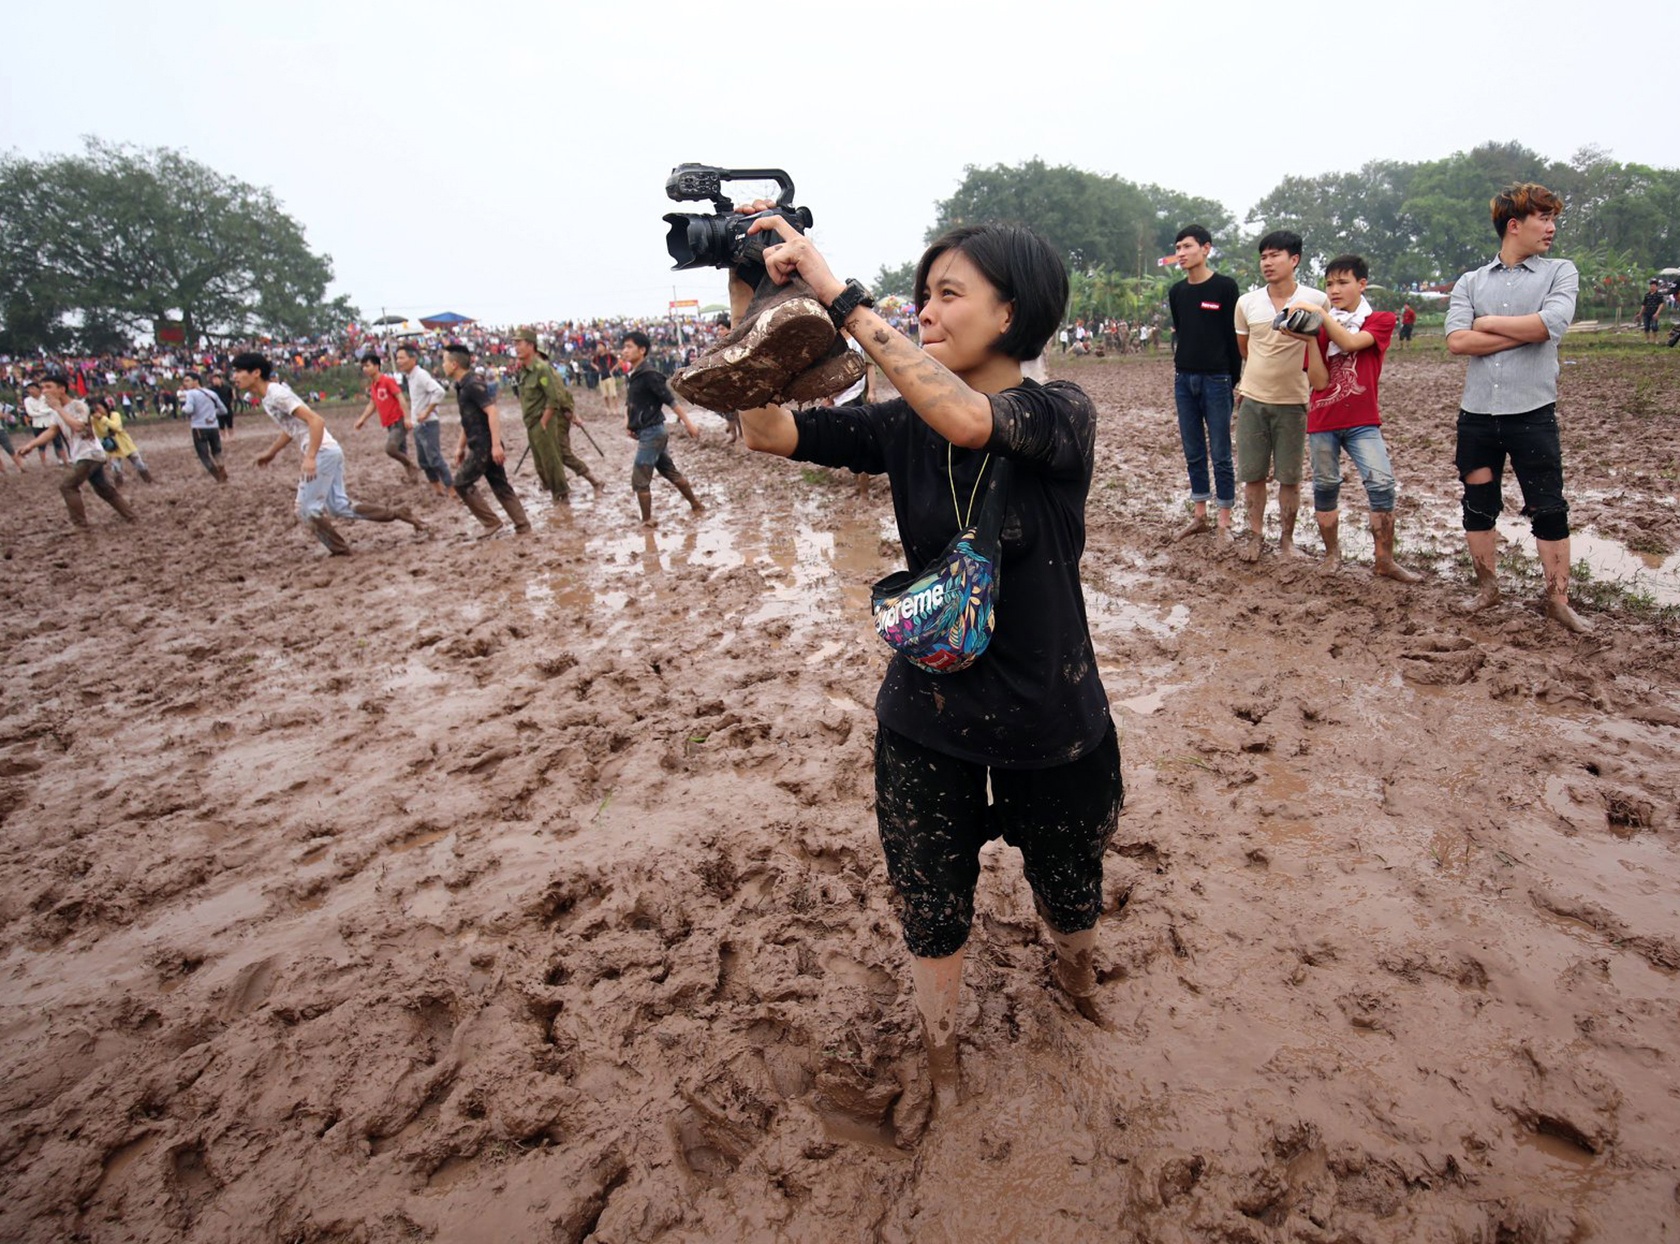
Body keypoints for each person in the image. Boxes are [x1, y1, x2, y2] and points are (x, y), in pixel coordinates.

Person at [731, 210, 1123, 1111]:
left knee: (1070, 887)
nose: (928, 311)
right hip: (927, 716)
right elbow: (768, 433)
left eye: (949, 295)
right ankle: (942, 1056)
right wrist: (752, 298)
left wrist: (840, 296)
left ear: (1011, 314)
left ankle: (1077, 976)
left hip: (1051, 714)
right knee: (930, 901)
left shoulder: (1060, 413)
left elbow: (969, 417)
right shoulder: (902, 427)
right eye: (923, 295)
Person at [1445, 183, 1590, 633]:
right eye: (1543, 219)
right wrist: (1524, 332)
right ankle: (1487, 589)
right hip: (1477, 416)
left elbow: (1551, 324)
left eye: (1553, 219)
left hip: (1532, 413)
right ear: (1514, 225)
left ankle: (1558, 601)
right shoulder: (1471, 281)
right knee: (1478, 504)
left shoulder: (1560, 272)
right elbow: (1457, 341)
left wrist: (1488, 323)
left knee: (1549, 507)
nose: (1551, 228)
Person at [1281, 255, 1421, 582]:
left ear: (1362, 284)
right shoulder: (1319, 329)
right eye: (1329, 284)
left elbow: (1350, 342)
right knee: (1326, 485)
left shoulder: (1380, 320)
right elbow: (1318, 383)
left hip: (1363, 421)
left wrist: (1319, 314)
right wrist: (1310, 338)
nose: (1334, 290)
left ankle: (1384, 560)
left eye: (1343, 282)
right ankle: (1332, 555)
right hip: (1323, 420)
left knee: (1381, 484)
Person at [233, 352, 425, 555]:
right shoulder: (268, 398)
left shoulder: (277, 394)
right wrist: (271, 452)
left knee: (306, 509)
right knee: (338, 507)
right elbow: (292, 428)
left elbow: (316, 421)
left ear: (256, 373)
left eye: (238, 371)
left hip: (323, 452)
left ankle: (340, 549)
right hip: (328, 451)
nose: (234, 376)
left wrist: (310, 457)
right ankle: (397, 513)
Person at [1233, 230, 1330, 559]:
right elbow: (1245, 349)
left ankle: (1286, 540)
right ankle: (1255, 536)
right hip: (1253, 400)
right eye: (1263, 257)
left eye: (1275, 255)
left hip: (1294, 402)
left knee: (1290, 477)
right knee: (1253, 474)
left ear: (1295, 259)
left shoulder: (1316, 300)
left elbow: (1324, 344)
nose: (1267, 262)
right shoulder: (1246, 303)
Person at [1167, 224, 1243, 542]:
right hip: (1184, 379)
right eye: (1178, 248)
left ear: (1206, 248)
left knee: (1221, 451)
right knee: (1193, 449)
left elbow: (1232, 337)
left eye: (1187, 246)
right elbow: (1181, 331)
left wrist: (1234, 380)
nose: (1181, 253)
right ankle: (1200, 515)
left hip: (1217, 379)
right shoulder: (1177, 292)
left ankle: (1224, 522)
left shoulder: (1225, 288)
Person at [16, 373, 137, 527]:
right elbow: (53, 430)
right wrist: (31, 445)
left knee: (68, 486)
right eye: (42, 388)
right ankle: (131, 516)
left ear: (62, 389)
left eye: (48, 387)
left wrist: (58, 408)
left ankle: (80, 525)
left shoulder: (79, 406)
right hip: (82, 455)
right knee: (103, 488)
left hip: (90, 454)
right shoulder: (56, 411)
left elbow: (78, 426)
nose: (44, 391)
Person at [442, 343, 530, 537]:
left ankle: (491, 522)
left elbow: (492, 411)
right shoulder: (462, 386)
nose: (443, 365)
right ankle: (522, 525)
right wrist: (460, 447)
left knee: (461, 483)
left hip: (484, 445)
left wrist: (496, 445)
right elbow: (468, 420)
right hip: (481, 444)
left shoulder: (472, 384)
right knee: (500, 485)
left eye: (444, 361)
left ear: (455, 364)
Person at [620, 331, 703, 528]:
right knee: (669, 471)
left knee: (640, 478)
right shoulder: (633, 375)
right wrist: (628, 423)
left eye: (629, 347)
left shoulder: (649, 375)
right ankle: (696, 505)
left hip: (653, 432)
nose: (624, 351)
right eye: (624, 347)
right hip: (648, 432)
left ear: (642, 350)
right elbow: (630, 402)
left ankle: (647, 521)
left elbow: (670, 400)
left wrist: (689, 424)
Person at [512, 327, 586, 504]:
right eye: (515, 344)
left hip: (543, 421)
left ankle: (561, 494)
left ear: (531, 346)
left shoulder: (542, 369)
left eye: (520, 343)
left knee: (552, 459)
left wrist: (544, 422)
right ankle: (554, 490)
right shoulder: (524, 371)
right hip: (531, 423)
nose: (516, 347)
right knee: (541, 464)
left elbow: (553, 398)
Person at [393, 344, 454, 497]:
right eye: (397, 358)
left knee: (434, 458)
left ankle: (452, 489)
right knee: (424, 461)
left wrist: (427, 411)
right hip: (419, 424)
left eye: (402, 358)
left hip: (428, 423)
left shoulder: (420, 375)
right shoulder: (410, 377)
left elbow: (439, 391)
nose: (398, 361)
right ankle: (438, 489)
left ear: (413, 359)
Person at [353, 352, 421, 485]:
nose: (365, 369)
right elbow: (373, 404)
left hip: (398, 420)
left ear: (377, 366)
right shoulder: (374, 385)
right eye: (363, 366)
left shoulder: (387, 381)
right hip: (389, 423)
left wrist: (407, 418)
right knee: (401, 451)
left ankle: (412, 466)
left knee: (391, 448)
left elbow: (400, 397)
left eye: (367, 365)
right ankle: (413, 478)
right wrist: (362, 419)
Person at [91, 397, 155, 485]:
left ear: (105, 407)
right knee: (116, 467)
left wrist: (102, 418)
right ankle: (119, 484)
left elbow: (117, 427)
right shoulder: (93, 420)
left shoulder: (114, 415)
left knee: (138, 462)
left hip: (124, 442)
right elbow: (97, 432)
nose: (97, 411)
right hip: (112, 445)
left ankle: (148, 480)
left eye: (98, 408)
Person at [181, 373, 229, 482]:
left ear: (196, 381)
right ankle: (221, 467)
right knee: (217, 451)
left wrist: (183, 408)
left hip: (199, 427)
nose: (185, 383)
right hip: (213, 426)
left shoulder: (191, 393)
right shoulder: (212, 393)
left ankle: (218, 476)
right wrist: (212, 413)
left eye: (188, 380)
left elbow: (189, 409)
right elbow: (224, 410)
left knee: (203, 455)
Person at [24, 381, 70, 467]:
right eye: (29, 389)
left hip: (50, 422)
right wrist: (44, 412)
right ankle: (44, 464)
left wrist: (39, 411)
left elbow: (52, 408)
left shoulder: (46, 397)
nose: (31, 391)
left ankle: (65, 461)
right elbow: (30, 413)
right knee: (40, 444)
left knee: (58, 442)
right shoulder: (27, 400)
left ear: (38, 389)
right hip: (37, 424)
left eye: (32, 388)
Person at [593, 341, 623, 418]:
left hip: (609, 376)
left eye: (600, 346)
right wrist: (597, 368)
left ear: (604, 347)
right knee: (605, 395)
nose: (598, 347)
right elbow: (592, 363)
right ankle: (608, 409)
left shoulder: (609, 355)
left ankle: (615, 408)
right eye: (598, 346)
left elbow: (618, 361)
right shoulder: (597, 357)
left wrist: (612, 370)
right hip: (601, 376)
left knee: (613, 394)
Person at [209, 371, 237, 439]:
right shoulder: (211, 389)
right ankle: (223, 438)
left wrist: (232, 404)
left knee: (230, 424)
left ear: (221, 379)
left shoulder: (227, 388)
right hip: (218, 409)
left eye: (216, 379)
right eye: (213, 379)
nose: (215, 381)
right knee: (221, 426)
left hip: (228, 408)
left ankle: (231, 437)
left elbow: (232, 397)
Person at [1639, 279, 1664, 343]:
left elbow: (1661, 304)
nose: (1652, 287)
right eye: (1651, 286)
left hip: (1654, 312)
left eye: (1653, 286)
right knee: (1646, 326)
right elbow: (1644, 304)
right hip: (1646, 313)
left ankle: (1655, 339)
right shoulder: (1647, 295)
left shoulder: (1659, 295)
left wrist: (1657, 313)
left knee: (1654, 326)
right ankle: (1647, 339)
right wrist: (1640, 314)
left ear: (1656, 287)